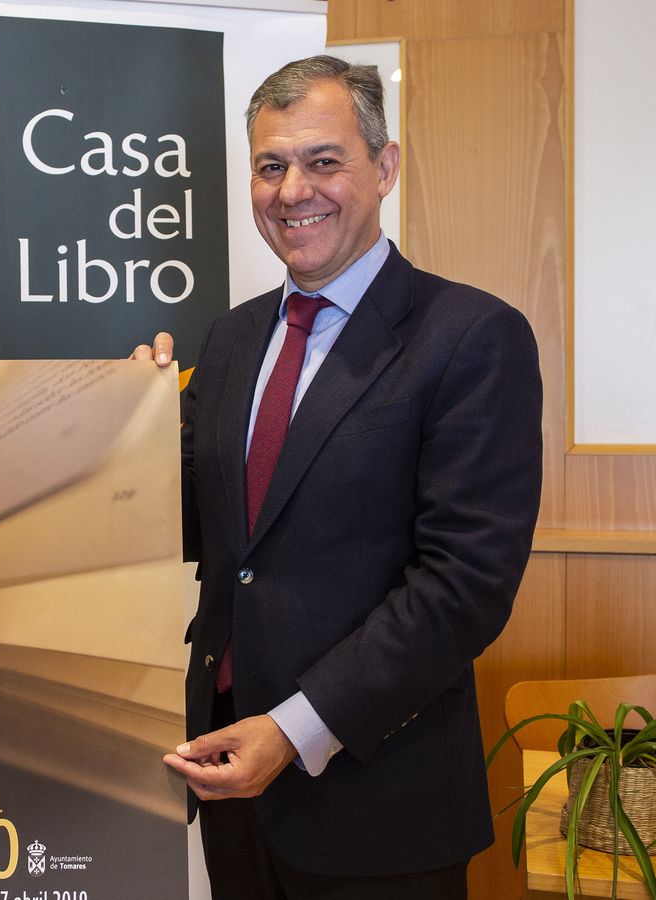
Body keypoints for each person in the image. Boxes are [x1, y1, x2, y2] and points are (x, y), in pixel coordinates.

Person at [149, 54, 543, 898]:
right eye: (270, 166)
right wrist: (122, 421)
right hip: (230, 791)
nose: (295, 190)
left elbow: (463, 586)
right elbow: (186, 523)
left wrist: (292, 732)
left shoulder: (472, 336)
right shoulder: (227, 341)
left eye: (324, 160)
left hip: (381, 808)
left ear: (386, 167)